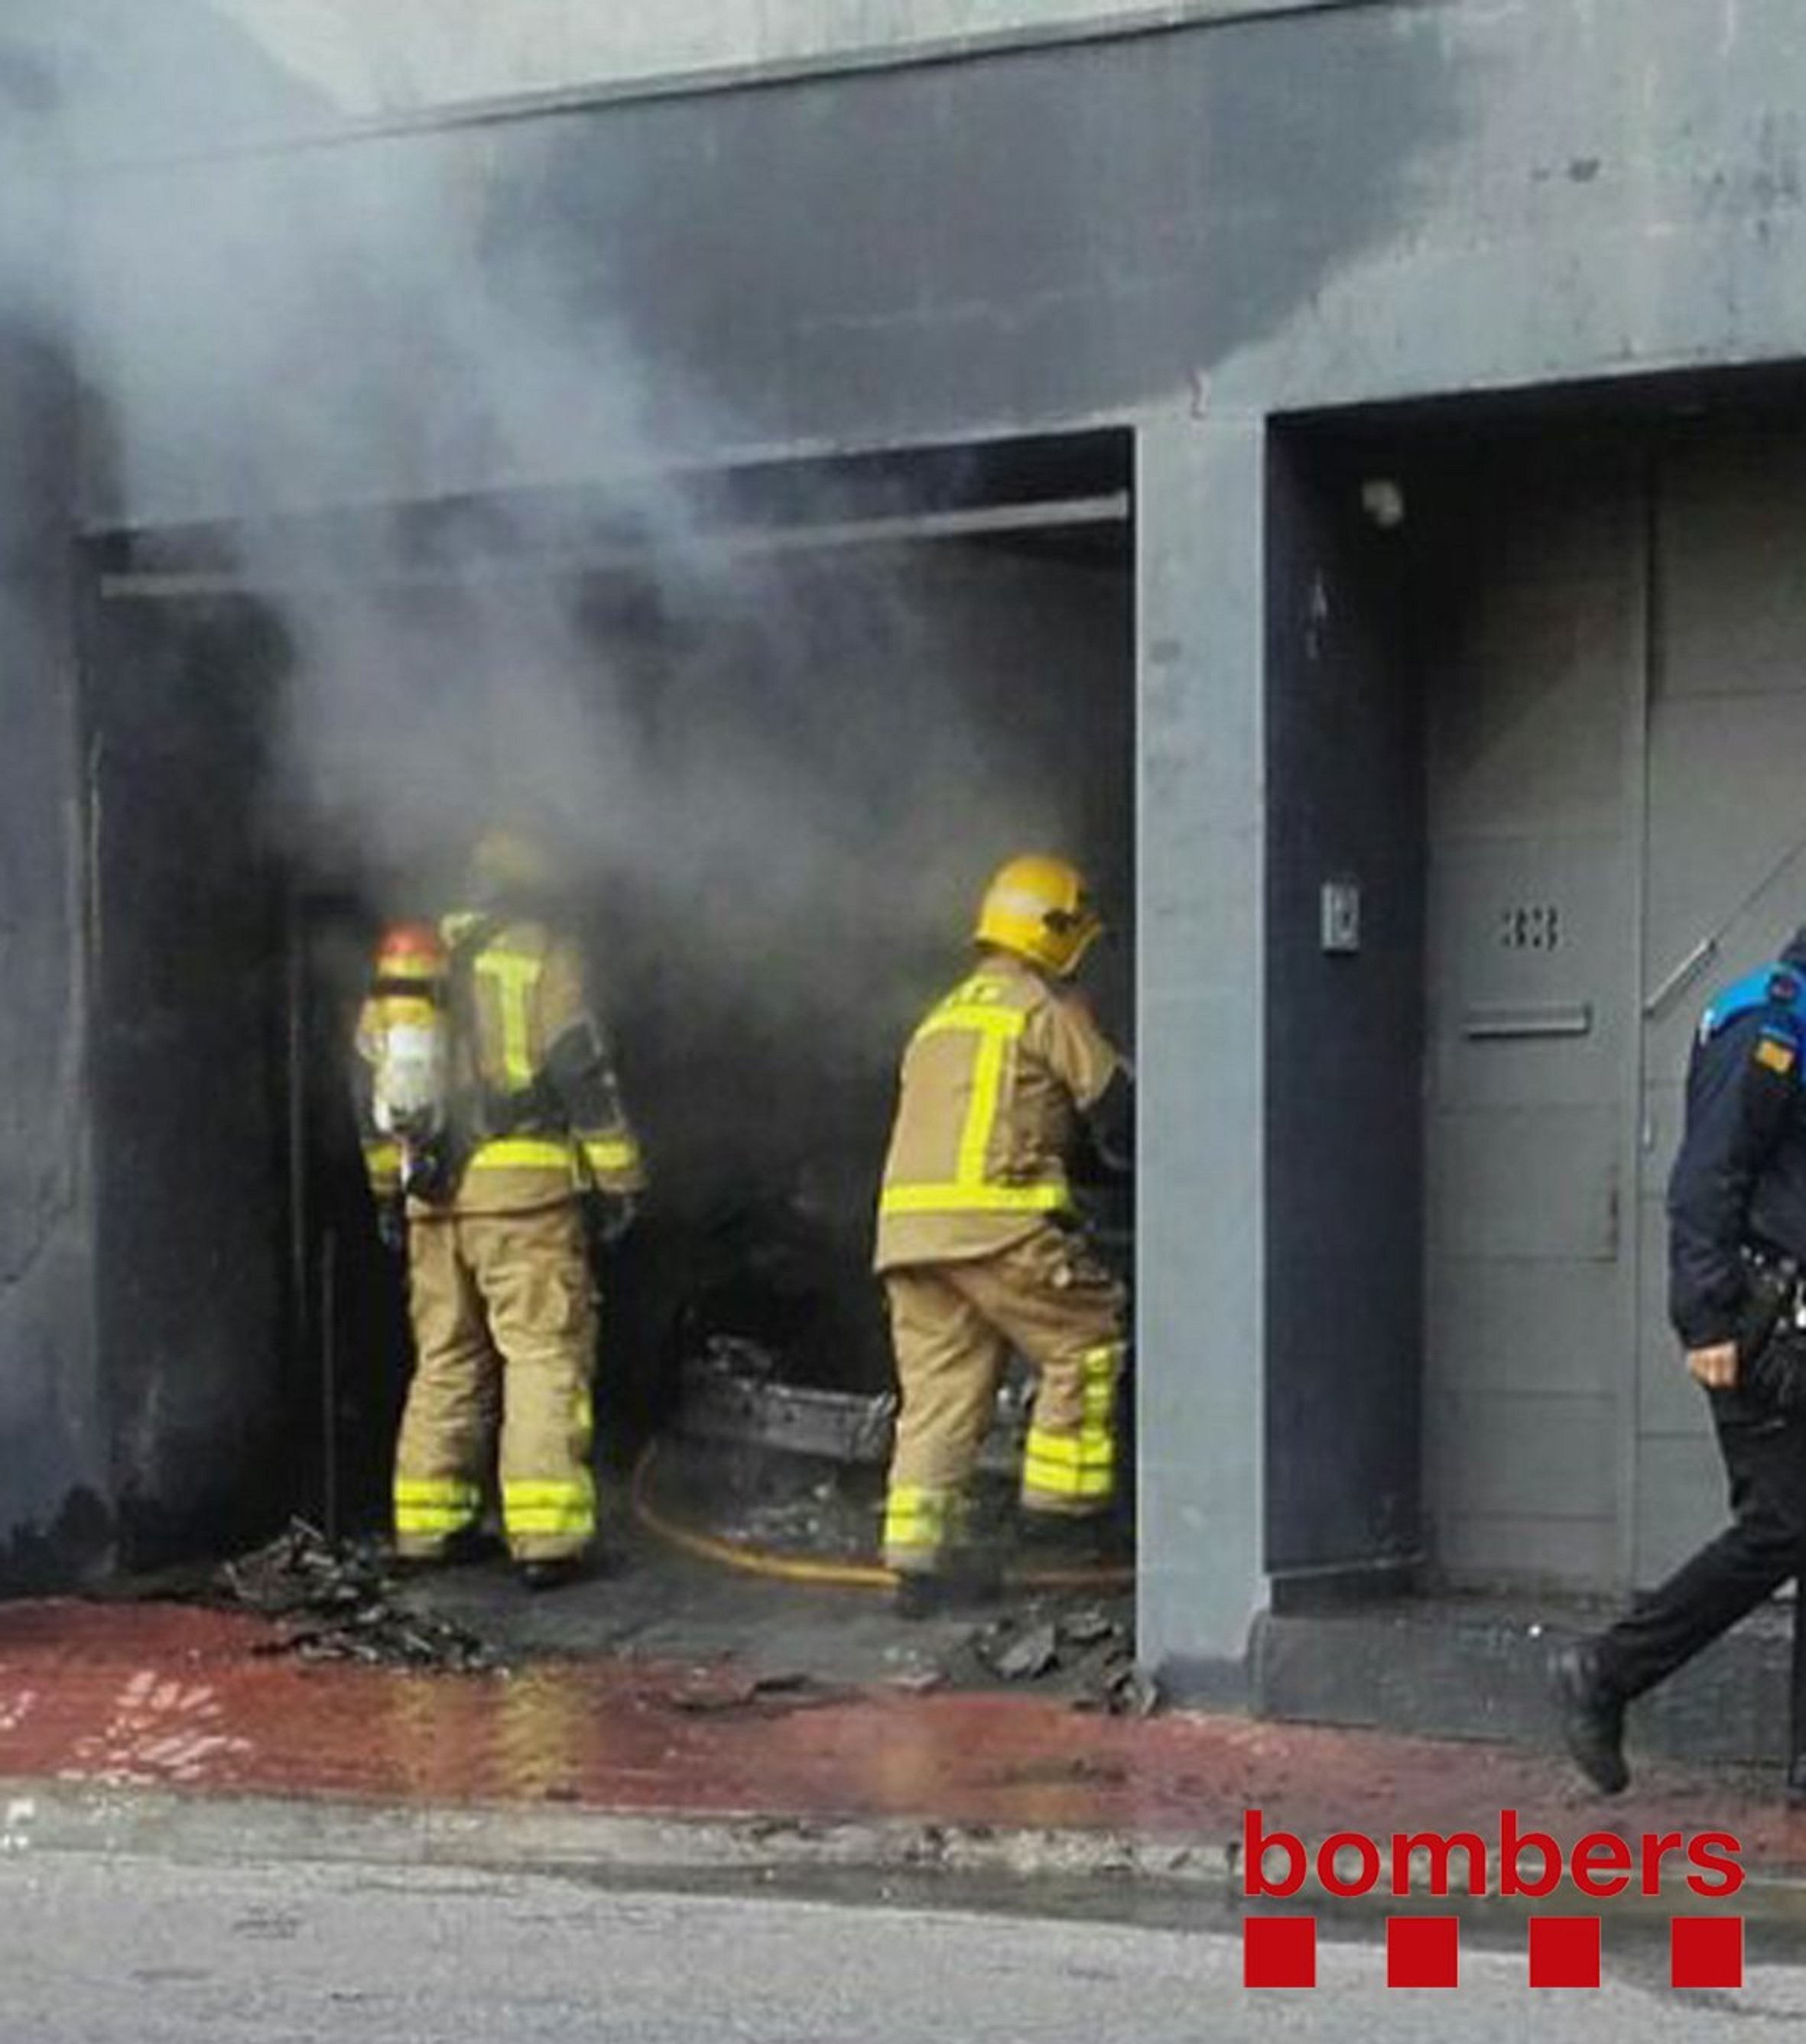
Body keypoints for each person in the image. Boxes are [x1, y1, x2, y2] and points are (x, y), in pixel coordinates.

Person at [356, 827, 647, 1590]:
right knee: (541, 1353)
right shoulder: (541, 954)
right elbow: (581, 1068)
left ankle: (427, 1526)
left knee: (446, 1359)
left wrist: (390, 1191)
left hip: (430, 1197)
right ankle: (545, 1536)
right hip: (522, 1193)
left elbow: (372, 1095)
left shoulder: (406, 971)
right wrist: (620, 1178)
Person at [1554, 930, 1806, 1796]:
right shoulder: (1769, 1026)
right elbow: (1706, 1182)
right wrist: (1706, 1322)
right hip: (1758, 1325)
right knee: (1784, 1523)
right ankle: (1606, 1670)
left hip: (1790, 1323)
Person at [874, 854, 1133, 1618]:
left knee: (939, 1398)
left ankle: (919, 1561)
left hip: (908, 1236)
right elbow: (1115, 1107)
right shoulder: (1041, 1010)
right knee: (1084, 1337)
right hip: (996, 1222)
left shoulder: (938, 1020)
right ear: (1056, 938)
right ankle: (1063, 1508)